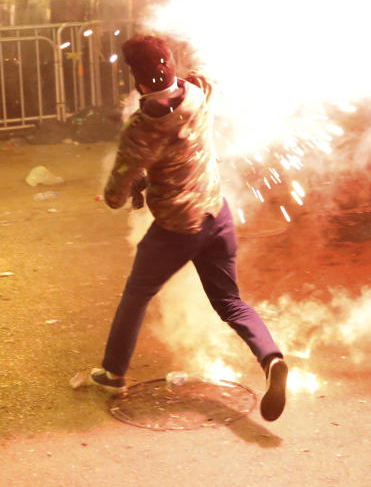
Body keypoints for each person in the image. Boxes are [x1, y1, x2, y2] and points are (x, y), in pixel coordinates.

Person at [82, 34, 289, 422]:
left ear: (139, 83)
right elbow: (205, 69)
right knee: (230, 302)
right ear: (172, 68)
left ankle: (113, 372)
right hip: (217, 214)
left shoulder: (141, 129)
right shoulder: (199, 91)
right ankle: (271, 358)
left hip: (177, 228)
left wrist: (135, 183)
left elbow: (114, 193)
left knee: (137, 293)